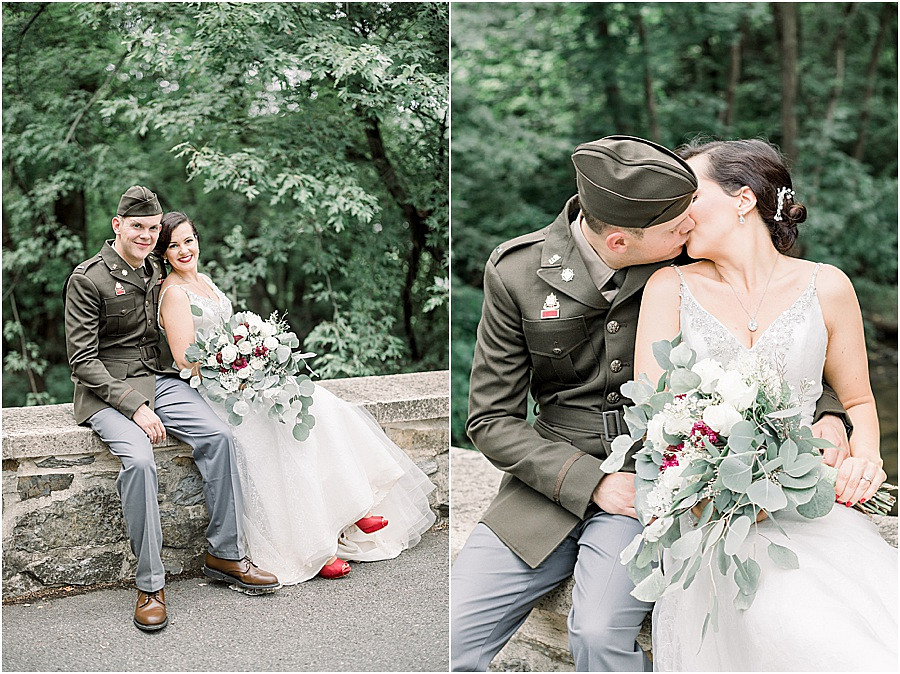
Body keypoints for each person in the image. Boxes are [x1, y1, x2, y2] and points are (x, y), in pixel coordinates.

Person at [450, 136, 853, 672]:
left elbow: (767, 334)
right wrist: (590, 482)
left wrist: (827, 408)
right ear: (619, 242)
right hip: (547, 487)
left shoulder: (676, 241)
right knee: (451, 634)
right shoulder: (518, 272)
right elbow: (489, 419)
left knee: (597, 633)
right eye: (677, 226)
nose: (690, 224)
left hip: (664, 480)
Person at [635, 138, 897, 670]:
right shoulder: (669, 287)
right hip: (716, 518)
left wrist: (865, 461)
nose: (677, 213)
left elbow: (859, 400)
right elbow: (658, 415)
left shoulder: (828, 286)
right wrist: (715, 487)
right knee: (796, 628)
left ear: (743, 200)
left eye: (691, 194)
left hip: (814, 509)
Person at [153, 211, 436, 584]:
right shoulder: (174, 293)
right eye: (174, 245)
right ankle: (315, 548)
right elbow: (184, 357)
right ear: (163, 254)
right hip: (217, 392)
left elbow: (228, 331)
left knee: (320, 405)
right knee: (280, 432)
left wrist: (252, 354)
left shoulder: (203, 281)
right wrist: (237, 365)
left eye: (188, 240)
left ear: (197, 240)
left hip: (243, 380)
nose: (184, 249)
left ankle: (351, 509)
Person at [63, 187, 280, 633]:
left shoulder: (158, 267)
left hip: (159, 380)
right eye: (137, 226)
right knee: (141, 460)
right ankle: (150, 585)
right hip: (108, 392)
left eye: (152, 228)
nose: (146, 235)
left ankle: (225, 554)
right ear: (117, 225)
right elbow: (83, 361)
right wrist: (135, 407)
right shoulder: (88, 279)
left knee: (220, 436)